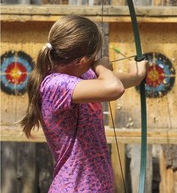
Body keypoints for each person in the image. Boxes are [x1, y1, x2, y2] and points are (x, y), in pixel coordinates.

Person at [19, 15, 148, 192]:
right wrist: (101, 67)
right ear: (81, 60)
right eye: (93, 57)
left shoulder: (79, 76)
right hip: (74, 187)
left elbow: (118, 81)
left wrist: (137, 75)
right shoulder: (55, 85)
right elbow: (114, 88)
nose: (95, 61)